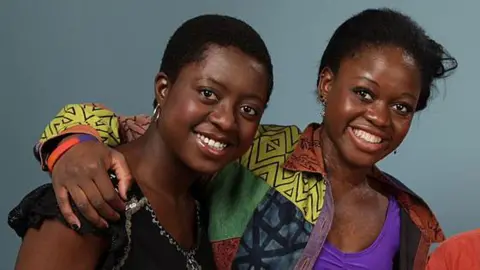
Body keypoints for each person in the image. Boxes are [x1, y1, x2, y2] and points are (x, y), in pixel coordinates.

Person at [10, 8, 458, 270]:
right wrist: (72, 145)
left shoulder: (410, 219)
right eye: (363, 93)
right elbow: (140, 132)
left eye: (401, 107)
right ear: (327, 84)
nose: (379, 117)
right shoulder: (251, 150)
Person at [9, 14, 274, 270]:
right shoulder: (90, 194)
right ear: (163, 90)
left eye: (249, 110)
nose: (227, 121)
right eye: (208, 93)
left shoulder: (205, 210)